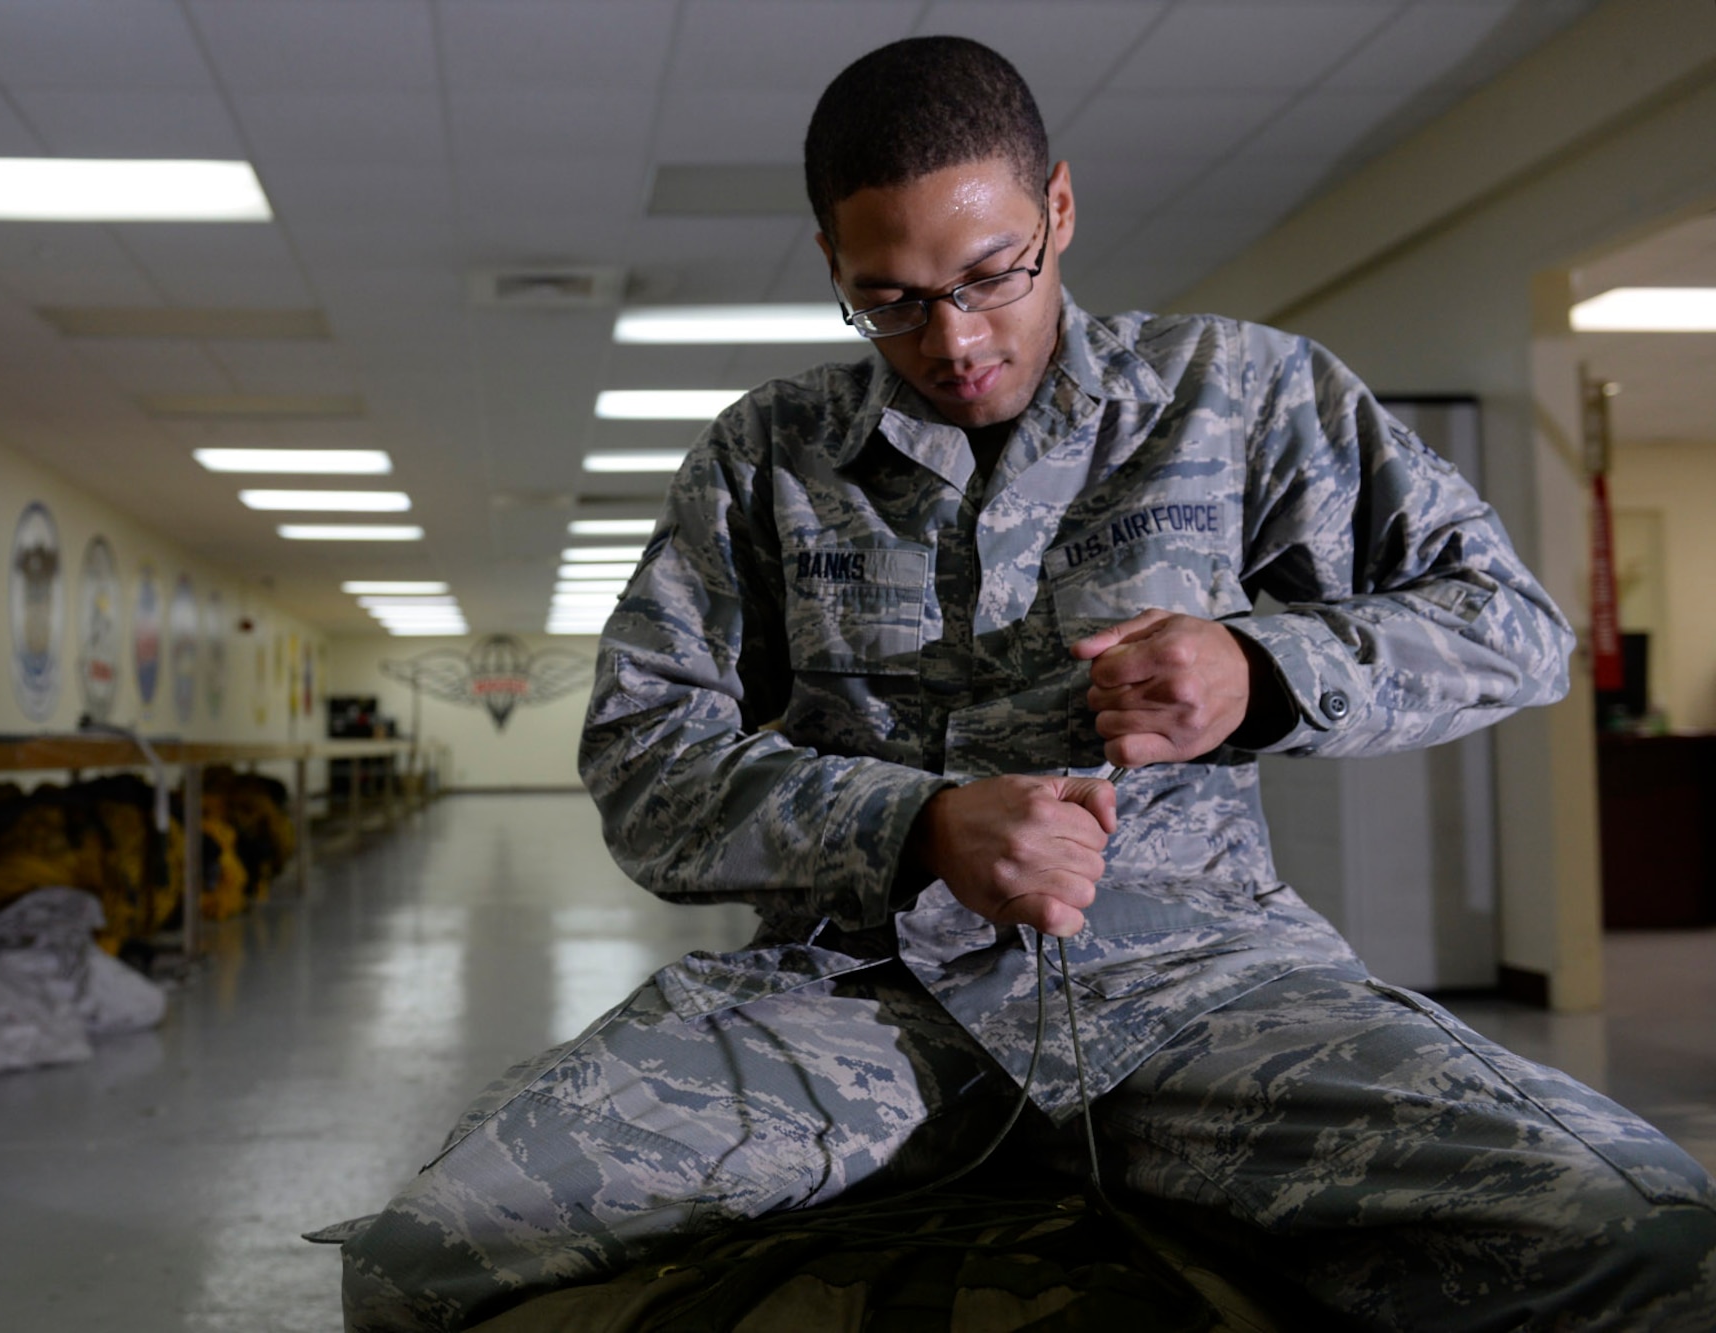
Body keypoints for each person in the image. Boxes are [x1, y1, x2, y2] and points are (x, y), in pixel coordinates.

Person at [326, 36, 1716, 1332]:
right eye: (892, 298)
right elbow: (642, 758)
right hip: (847, 998)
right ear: (835, 262)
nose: (955, 338)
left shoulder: (1239, 394)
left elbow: (1511, 625)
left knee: (1649, 1233)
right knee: (429, 1257)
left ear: (1057, 208)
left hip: (1204, 988)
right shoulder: (769, 455)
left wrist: (1266, 668)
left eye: (991, 272)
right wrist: (912, 826)